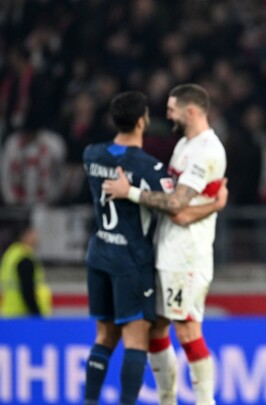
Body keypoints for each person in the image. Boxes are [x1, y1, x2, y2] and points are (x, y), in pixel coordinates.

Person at [102, 84, 227, 405]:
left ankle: (205, 402)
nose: (167, 115)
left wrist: (130, 192)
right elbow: (176, 207)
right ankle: (167, 400)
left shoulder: (207, 151)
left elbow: (177, 205)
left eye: (172, 109)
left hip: (187, 255)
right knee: (156, 328)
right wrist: (207, 206)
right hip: (167, 250)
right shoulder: (185, 144)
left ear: (191, 111)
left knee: (187, 330)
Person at [82, 91, 174, 405]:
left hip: (99, 251)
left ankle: (89, 401)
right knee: (136, 338)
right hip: (131, 258)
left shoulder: (92, 154)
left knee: (104, 335)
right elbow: (172, 205)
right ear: (141, 121)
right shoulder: (149, 167)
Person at [0, 221, 52, 317]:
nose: (37, 237)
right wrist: (37, 314)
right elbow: (27, 291)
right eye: (34, 233)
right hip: (24, 317)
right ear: (25, 235)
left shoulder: (11, 254)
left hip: (10, 315)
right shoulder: (24, 258)